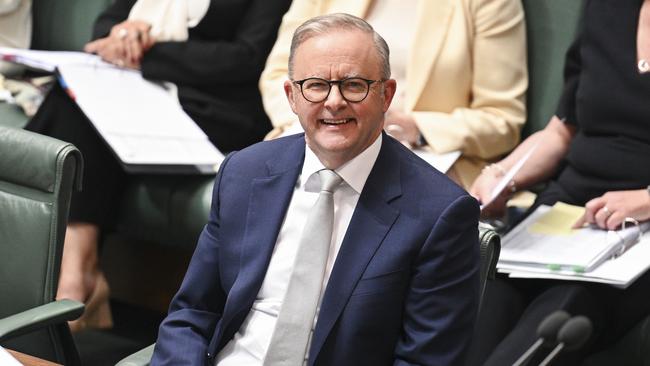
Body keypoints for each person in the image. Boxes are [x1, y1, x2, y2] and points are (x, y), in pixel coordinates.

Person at [152, 13, 481, 366]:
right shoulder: (243, 173)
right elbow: (193, 313)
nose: (334, 102)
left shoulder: (439, 214)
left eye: (354, 85)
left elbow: (424, 361)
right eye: (316, 85)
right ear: (292, 96)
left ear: (386, 95)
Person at [24, 0, 292, 331]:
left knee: (84, 110)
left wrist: (147, 50)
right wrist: (123, 34)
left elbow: (248, 57)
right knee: (72, 99)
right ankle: (76, 277)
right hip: (143, 86)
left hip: (215, 106)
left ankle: (75, 286)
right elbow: (104, 28)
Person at [470, 0, 650, 364]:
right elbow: (560, 132)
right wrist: (503, 176)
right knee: (479, 310)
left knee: (560, 312)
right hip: (569, 211)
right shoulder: (605, 8)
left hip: (638, 231)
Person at [259, 0, 527, 189]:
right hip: (314, 143)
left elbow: (501, 120)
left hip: (423, 157)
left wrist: (414, 127)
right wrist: (320, 127)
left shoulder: (489, 3)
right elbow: (278, 76)